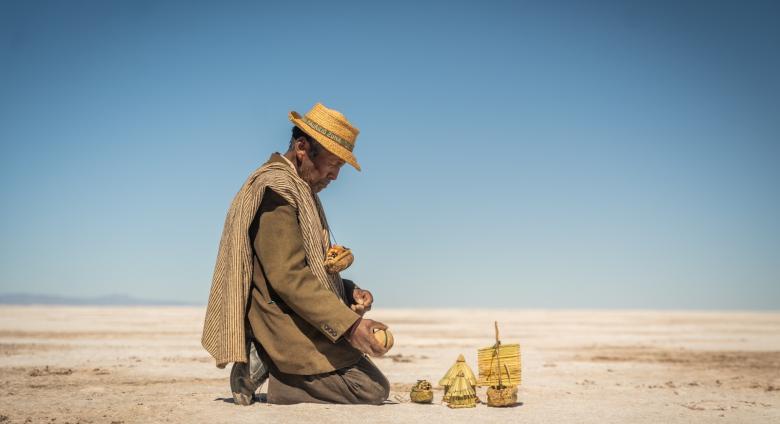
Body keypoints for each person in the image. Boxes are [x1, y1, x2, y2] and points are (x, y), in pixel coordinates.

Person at [201, 103, 390, 406]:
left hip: (300, 313)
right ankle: (265, 358)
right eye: (332, 163)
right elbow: (287, 277)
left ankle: (276, 365)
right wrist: (350, 326)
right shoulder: (277, 191)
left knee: (374, 385)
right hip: (281, 319)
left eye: (340, 167)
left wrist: (348, 290)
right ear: (302, 147)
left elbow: (306, 266)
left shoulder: (300, 190)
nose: (335, 175)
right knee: (370, 390)